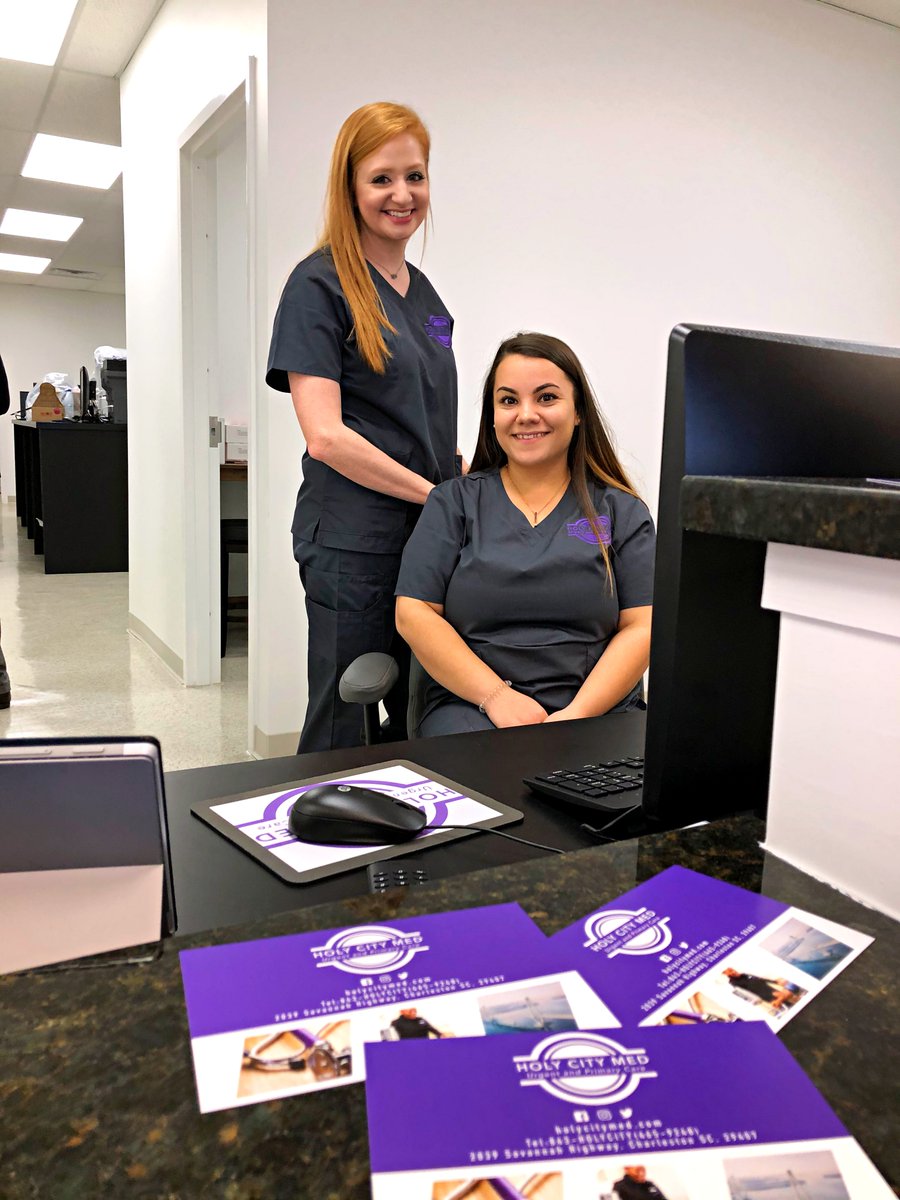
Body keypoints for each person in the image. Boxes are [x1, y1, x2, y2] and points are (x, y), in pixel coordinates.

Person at [266, 102, 459, 752]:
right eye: (381, 179)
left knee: (418, 708)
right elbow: (325, 436)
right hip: (355, 544)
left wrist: (466, 483)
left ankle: (404, 820)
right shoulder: (317, 286)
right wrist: (438, 496)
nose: (402, 194)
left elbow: (425, 418)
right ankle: (318, 817)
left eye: (415, 176)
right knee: (345, 712)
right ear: (350, 188)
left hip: (426, 539)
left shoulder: (426, 297)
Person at [395, 332, 654, 736]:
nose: (526, 414)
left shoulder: (621, 511)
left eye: (546, 397)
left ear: (578, 411)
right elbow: (413, 613)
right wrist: (497, 697)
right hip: (472, 710)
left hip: (596, 714)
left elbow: (643, 625)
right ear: (492, 415)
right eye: (509, 400)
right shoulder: (453, 503)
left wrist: (577, 715)